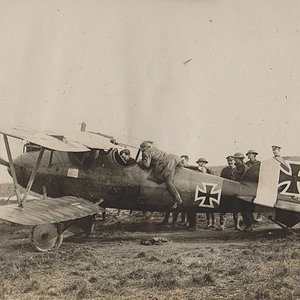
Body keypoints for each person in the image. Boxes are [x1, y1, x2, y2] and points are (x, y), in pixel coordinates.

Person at [138, 141, 183, 209]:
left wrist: (140, 161)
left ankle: (178, 200)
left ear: (143, 148)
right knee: (170, 181)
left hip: (166, 164)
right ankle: (178, 199)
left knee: (168, 183)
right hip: (173, 159)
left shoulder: (146, 152)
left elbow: (146, 165)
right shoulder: (155, 148)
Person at [232, 152, 253, 231]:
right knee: (241, 209)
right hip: (237, 191)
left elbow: (247, 180)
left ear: (240, 159)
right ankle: (247, 225)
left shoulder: (245, 168)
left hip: (244, 192)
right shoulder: (236, 168)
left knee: (246, 209)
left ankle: (249, 225)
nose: (234, 160)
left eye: (236, 159)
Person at [219, 155, 241, 231]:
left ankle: (237, 226)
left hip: (234, 192)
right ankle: (222, 225)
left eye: (231, 160)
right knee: (223, 209)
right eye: (228, 161)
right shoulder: (224, 170)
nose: (230, 162)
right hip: (226, 192)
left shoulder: (237, 170)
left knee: (236, 209)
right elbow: (221, 180)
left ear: (234, 161)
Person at [196, 158, 215, 229]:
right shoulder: (197, 171)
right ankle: (209, 222)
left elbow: (214, 179)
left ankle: (214, 222)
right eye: (199, 163)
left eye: (202, 163)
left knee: (211, 207)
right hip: (202, 189)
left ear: (205, 163)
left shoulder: (209, 170)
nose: (200, 164)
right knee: (206, 207)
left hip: (209, 189)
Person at [245, 150, 262, 222]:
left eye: (250, 154)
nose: (248, 155)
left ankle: (260, 216)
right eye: (248, 154)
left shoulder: (259, 163)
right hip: (249, 184)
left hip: (257, 183)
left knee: (260, 199)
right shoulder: (246, 164)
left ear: (254, 155)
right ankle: (251, 218)